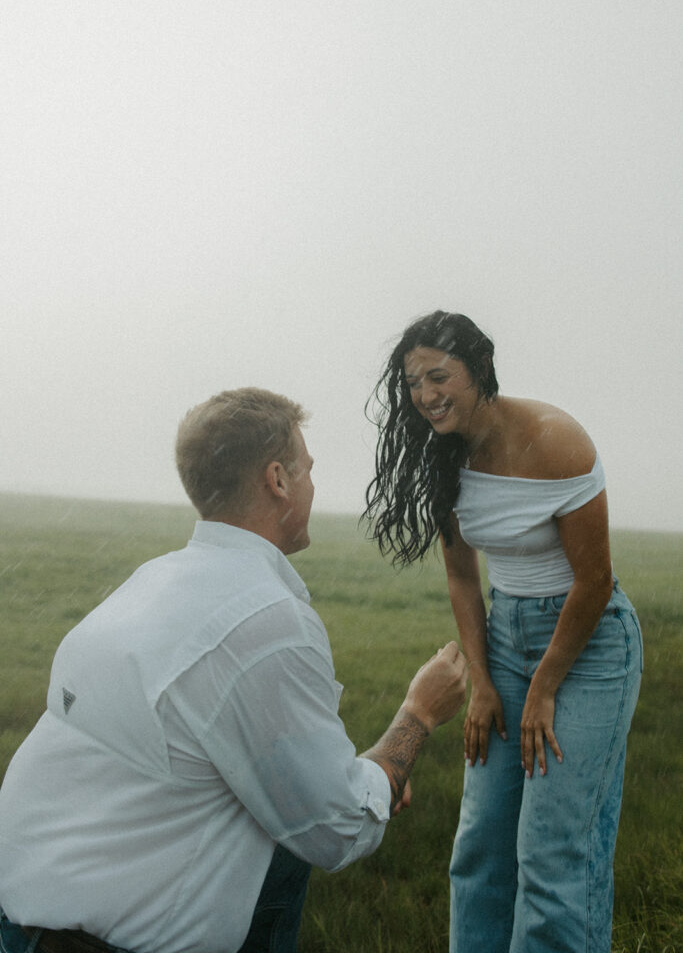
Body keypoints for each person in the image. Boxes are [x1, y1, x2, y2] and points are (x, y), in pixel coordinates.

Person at [0, 386, 468, 953]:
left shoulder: (153, 580)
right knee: (301, 838)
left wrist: (352, 782)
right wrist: (417, 715)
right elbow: (336, 830)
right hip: (98, 945)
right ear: (278, 480)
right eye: (308, 469)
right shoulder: (265, 622)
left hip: (23, 915)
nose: (314, 485)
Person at [364, 311, 643, 953]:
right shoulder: (445, 457)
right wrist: (484, 682)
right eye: (414, 382)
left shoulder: (555, 439)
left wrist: (544, 687)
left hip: (588, 644)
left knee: (551, 853)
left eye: (440, 376)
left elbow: (595, 581)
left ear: (479, 369)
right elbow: (464, 579)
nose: (426, 395)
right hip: (505, 636)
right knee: (481, 843)